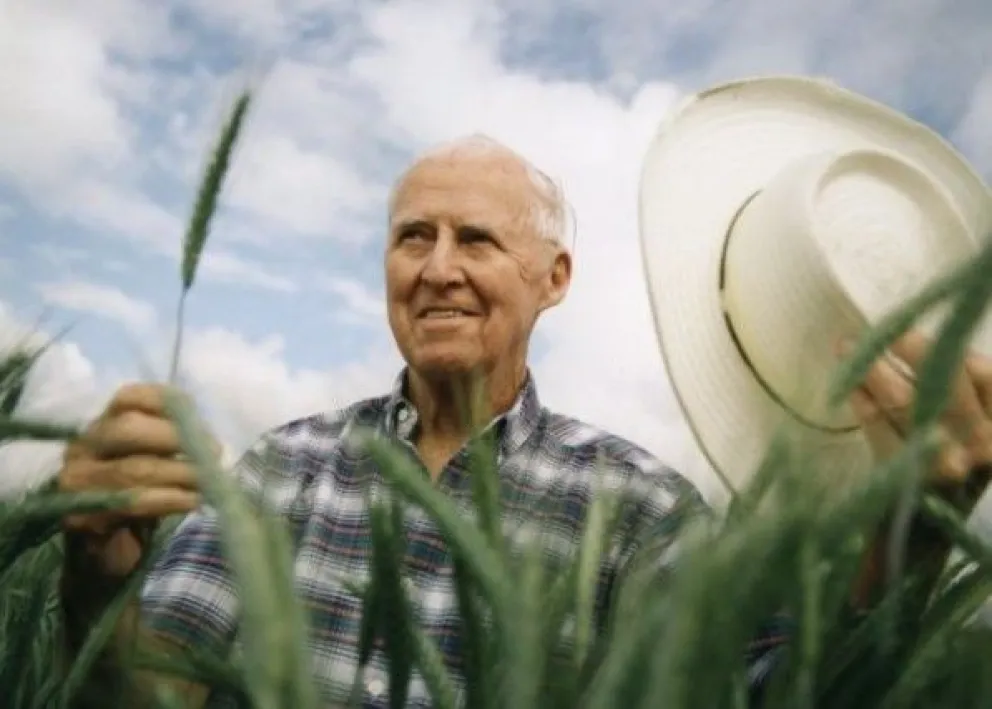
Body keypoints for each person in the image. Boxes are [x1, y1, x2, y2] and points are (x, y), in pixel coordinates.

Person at [56, 134, 992, 708]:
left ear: (555, 280)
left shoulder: (635, 504)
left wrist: (908, 541)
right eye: (412, 236)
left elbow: (767, 696)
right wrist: (98, 574)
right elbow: (148, 694)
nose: (437, 267)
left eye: (478, 239)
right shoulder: (281, 465)